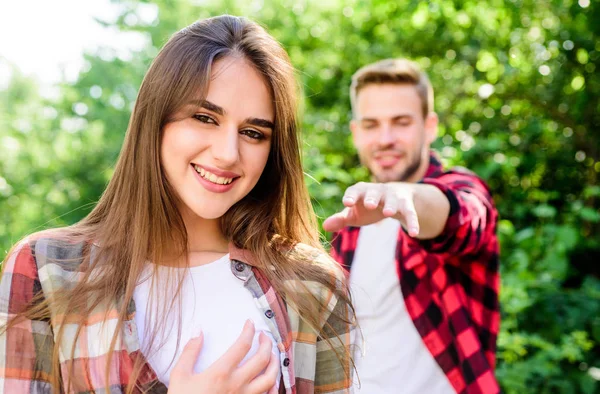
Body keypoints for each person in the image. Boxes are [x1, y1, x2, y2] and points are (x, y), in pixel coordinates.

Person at [0, 15, 355, 394]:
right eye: (204, 118)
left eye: (253, 133)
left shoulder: (312, 284)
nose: (227, 153)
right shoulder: (47, 269)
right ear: (156, 120)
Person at [323, 58, 500, 394]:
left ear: (429, 126)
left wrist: (405, 196)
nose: (385, 138)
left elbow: (464, 216)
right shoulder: (350, 225)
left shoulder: (460, 190)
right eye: (371, 124)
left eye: (401, 122)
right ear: (356, 133)